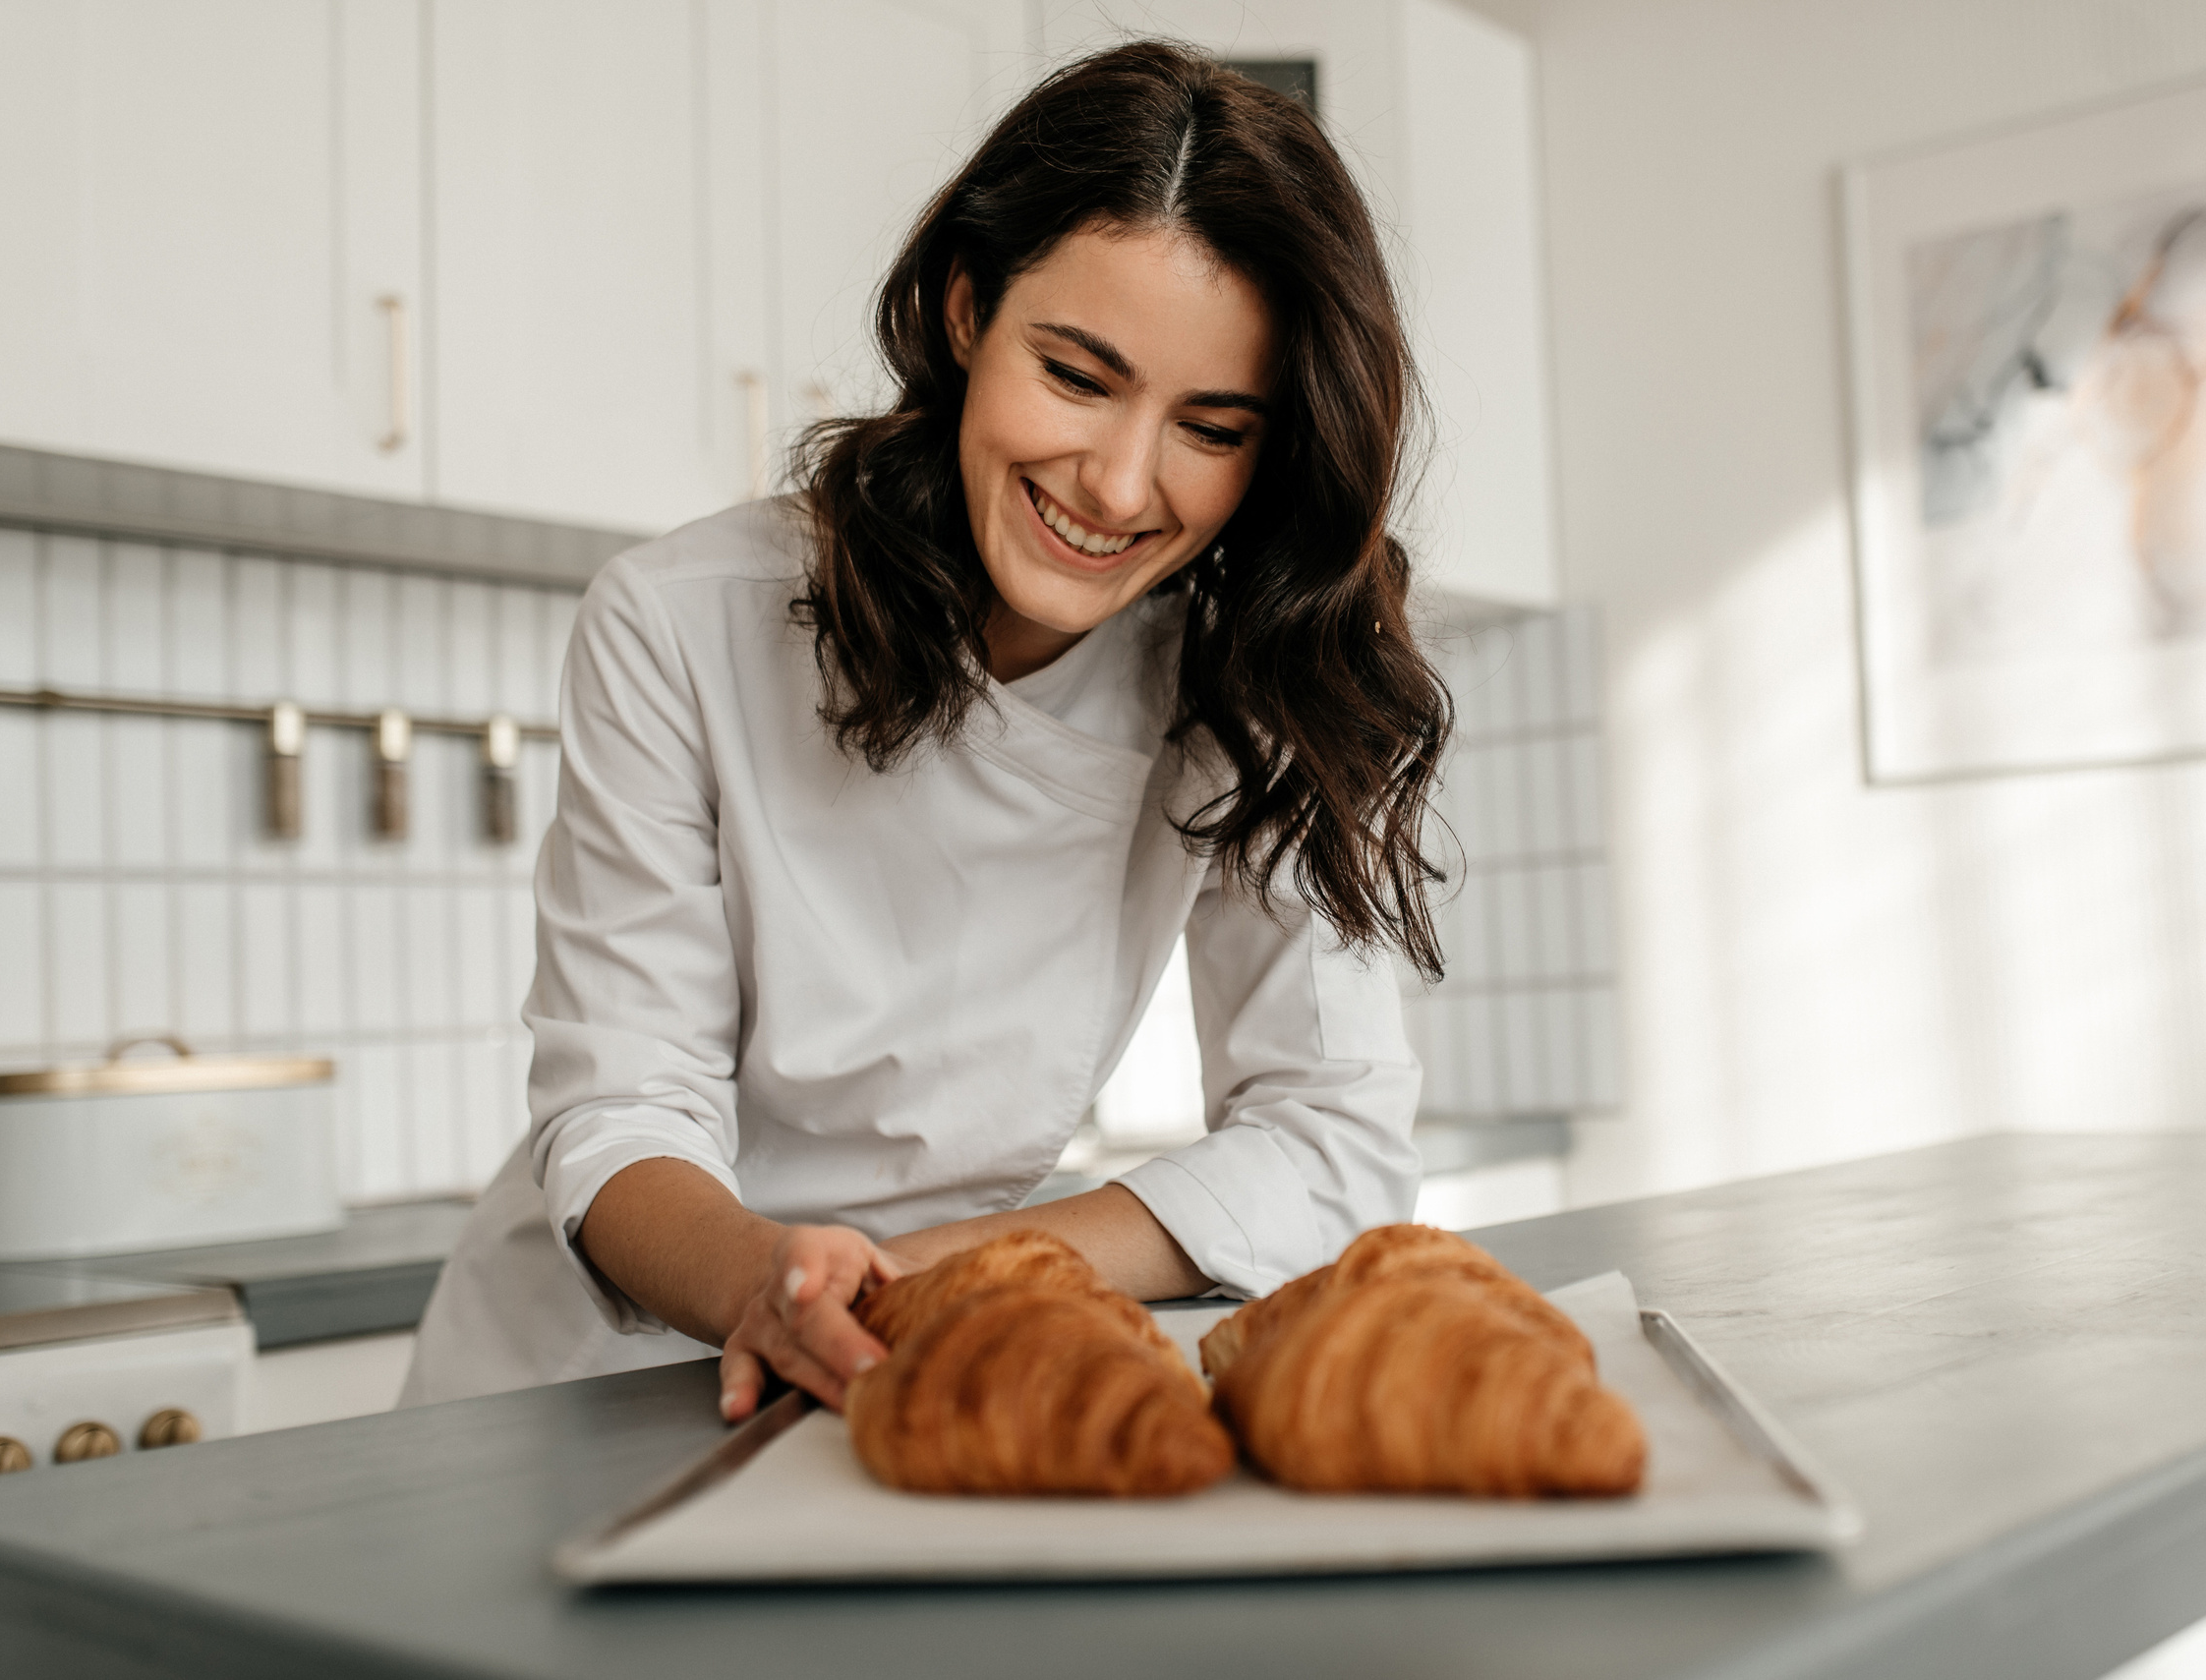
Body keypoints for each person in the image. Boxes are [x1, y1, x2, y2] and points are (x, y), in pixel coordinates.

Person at [401, 40, 1452, 1419]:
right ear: (966, 311)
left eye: (1210, 428)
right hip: (590, 1384)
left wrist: (934, 1276)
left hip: (912, 1347)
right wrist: (777, 1287)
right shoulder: (680, 619)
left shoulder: (1246, 678)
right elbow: (621, 1106)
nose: (1119, 485)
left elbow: (1333, 1137)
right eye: (1076, 375)